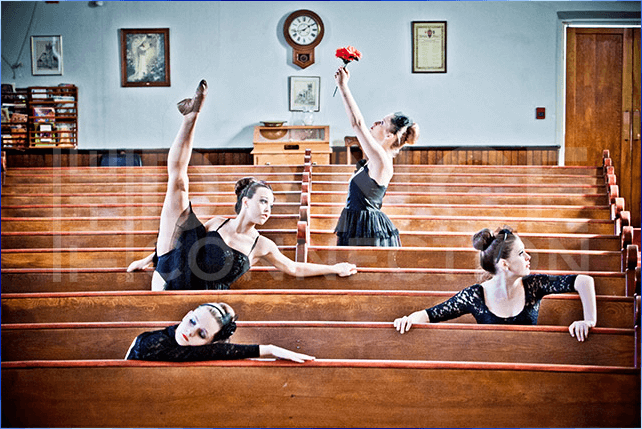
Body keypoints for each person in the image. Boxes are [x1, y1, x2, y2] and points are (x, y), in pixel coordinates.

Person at [127, 80, 357, 290]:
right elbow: (181, 241)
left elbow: (294, 268)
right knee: (178, 183)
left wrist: (334, 268)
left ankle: (191, 116)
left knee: (178, 188)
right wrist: (148, 259)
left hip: (203, 298)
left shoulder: (262, 245)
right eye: (263, 201)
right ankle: (191, 116)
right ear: (246, 202)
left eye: (271, 205)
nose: (268, 209)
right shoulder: (217, 223)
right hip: (176, 273)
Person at [393, 227, 597, 342]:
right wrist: (408, 319)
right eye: (521, 253)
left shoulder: (535, 284)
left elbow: (583, 281)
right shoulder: (475, 296)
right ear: (505, 264)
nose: (528, 257)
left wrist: (588, 321)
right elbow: (430, 314)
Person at [333, 66, 419, 246]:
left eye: (381, 122)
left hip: (366, 230)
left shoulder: (381, 159)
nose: (374, 123)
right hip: (359, 224)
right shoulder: (377, 158)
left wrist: (343, 86)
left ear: (389, 135)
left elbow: (357, 124)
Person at [125, 302, 314, 362]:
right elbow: (216, 351)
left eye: (202, 334)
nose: (190, 333)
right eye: (192, 321)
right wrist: (268, 349)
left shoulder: (197, 351)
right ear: (187, 315)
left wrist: (271, 349)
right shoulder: (148, 342)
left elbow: (216, 351)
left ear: (209, 342)